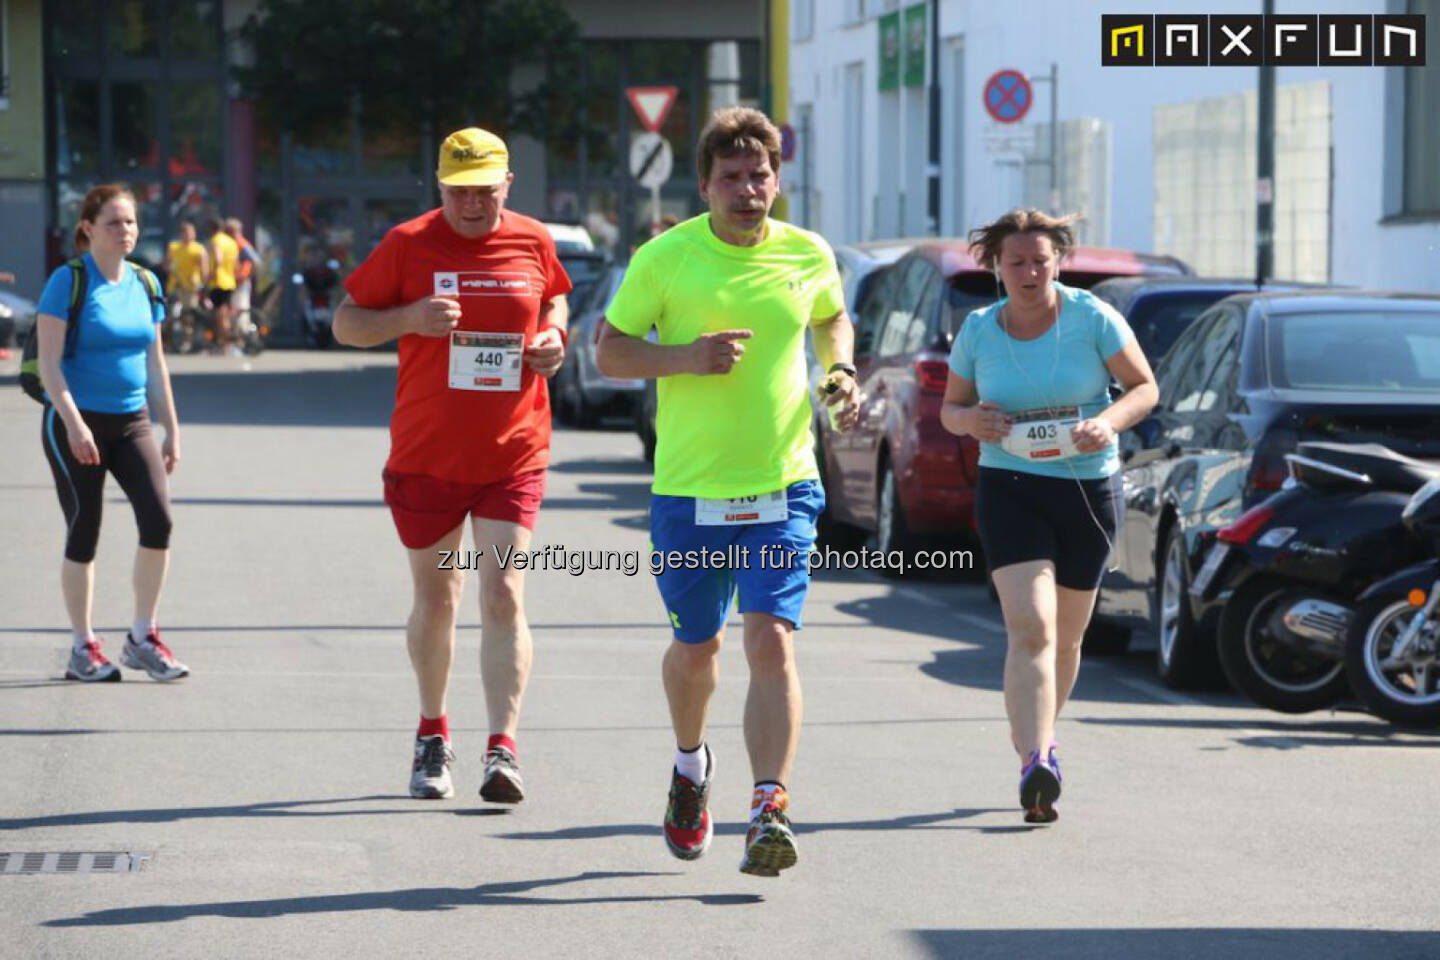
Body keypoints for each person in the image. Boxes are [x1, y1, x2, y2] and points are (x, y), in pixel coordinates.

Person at [596, 106, 860, 877]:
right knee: (696, 647)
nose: (750, 190)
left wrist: (837, 370)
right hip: (689, 492)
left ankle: (769, 806)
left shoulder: (807, 253)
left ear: (777, 179)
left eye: (761, 176)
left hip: (783, 482)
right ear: (706, 184)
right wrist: (684, 358)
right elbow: (610, 354)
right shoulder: (666, 259)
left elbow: (832, 318)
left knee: (770, 638)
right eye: (733, 178)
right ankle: (689, 768)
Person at [333, 127, 571, 804]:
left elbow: (554, 297)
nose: (471, 204)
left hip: (512, 451)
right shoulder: (408, 244)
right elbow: (346, 323)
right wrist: (409, 317)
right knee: (440, 599)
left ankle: (503, 749)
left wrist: (554, 335)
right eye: (458, 191)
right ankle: (433, 732)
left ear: (507, 185)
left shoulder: (532, 239)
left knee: (502, 593)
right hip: (429, 456)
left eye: (485, 191)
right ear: (439, 187)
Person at [938, 209, 1158, 823]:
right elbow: (951, 410)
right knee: (1031, 627)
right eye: (1017, 263)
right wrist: (971, 421)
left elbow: (1144, 388)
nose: (1031, 272)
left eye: (1041, 260)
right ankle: (1036, 759)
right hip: (1010, 485)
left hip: (1088, 489)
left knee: (1066, 637)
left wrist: (1106, 422)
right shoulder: (980, 330)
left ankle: (1043, 742)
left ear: (1058, 262)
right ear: (997, 269)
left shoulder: (1092, 317)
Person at [35, 184, 188, 683]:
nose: (126, 232)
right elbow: (51, 367)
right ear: (88, 229)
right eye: (114, 223)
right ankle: (83, 645)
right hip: (74, 421)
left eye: (131, 223)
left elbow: (154, 362)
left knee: (159, 520)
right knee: (85, 528)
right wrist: (75, 424)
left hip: (132, 421)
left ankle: (142, 636)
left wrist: (172, 428)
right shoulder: (68, 281)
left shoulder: (145, 282)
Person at [164, 221, 209, 344]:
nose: (188, 235)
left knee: (188, 315)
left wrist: (202, 285)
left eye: (191, 233)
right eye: (185, 233)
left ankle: (188, 340)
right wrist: (169, 267)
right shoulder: (173, 247)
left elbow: (204, 270)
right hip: (175, 286)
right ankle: (168, 341)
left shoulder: (199, 249)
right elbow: (166, 265)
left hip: (191, 288)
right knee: (171, 314)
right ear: (181, 234)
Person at [225, 217, 260, 348]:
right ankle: (236, 341)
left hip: (241, 283)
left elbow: (256, 262)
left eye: (230, 231)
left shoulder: (242, 244)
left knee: (241, 311)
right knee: (232, 312)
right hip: (231, 282)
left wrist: (246, 277)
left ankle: (245, 341)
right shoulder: (230, 244)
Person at [205, 217, 239, 352]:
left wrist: (211, 273)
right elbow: (236, 264)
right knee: (225, 312)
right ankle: (227, 341)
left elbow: (218, 259)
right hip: (230, 281)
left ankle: (223, 342)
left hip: (218, 281)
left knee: (220, 314)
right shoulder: (231, 242)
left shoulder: (216, 241)